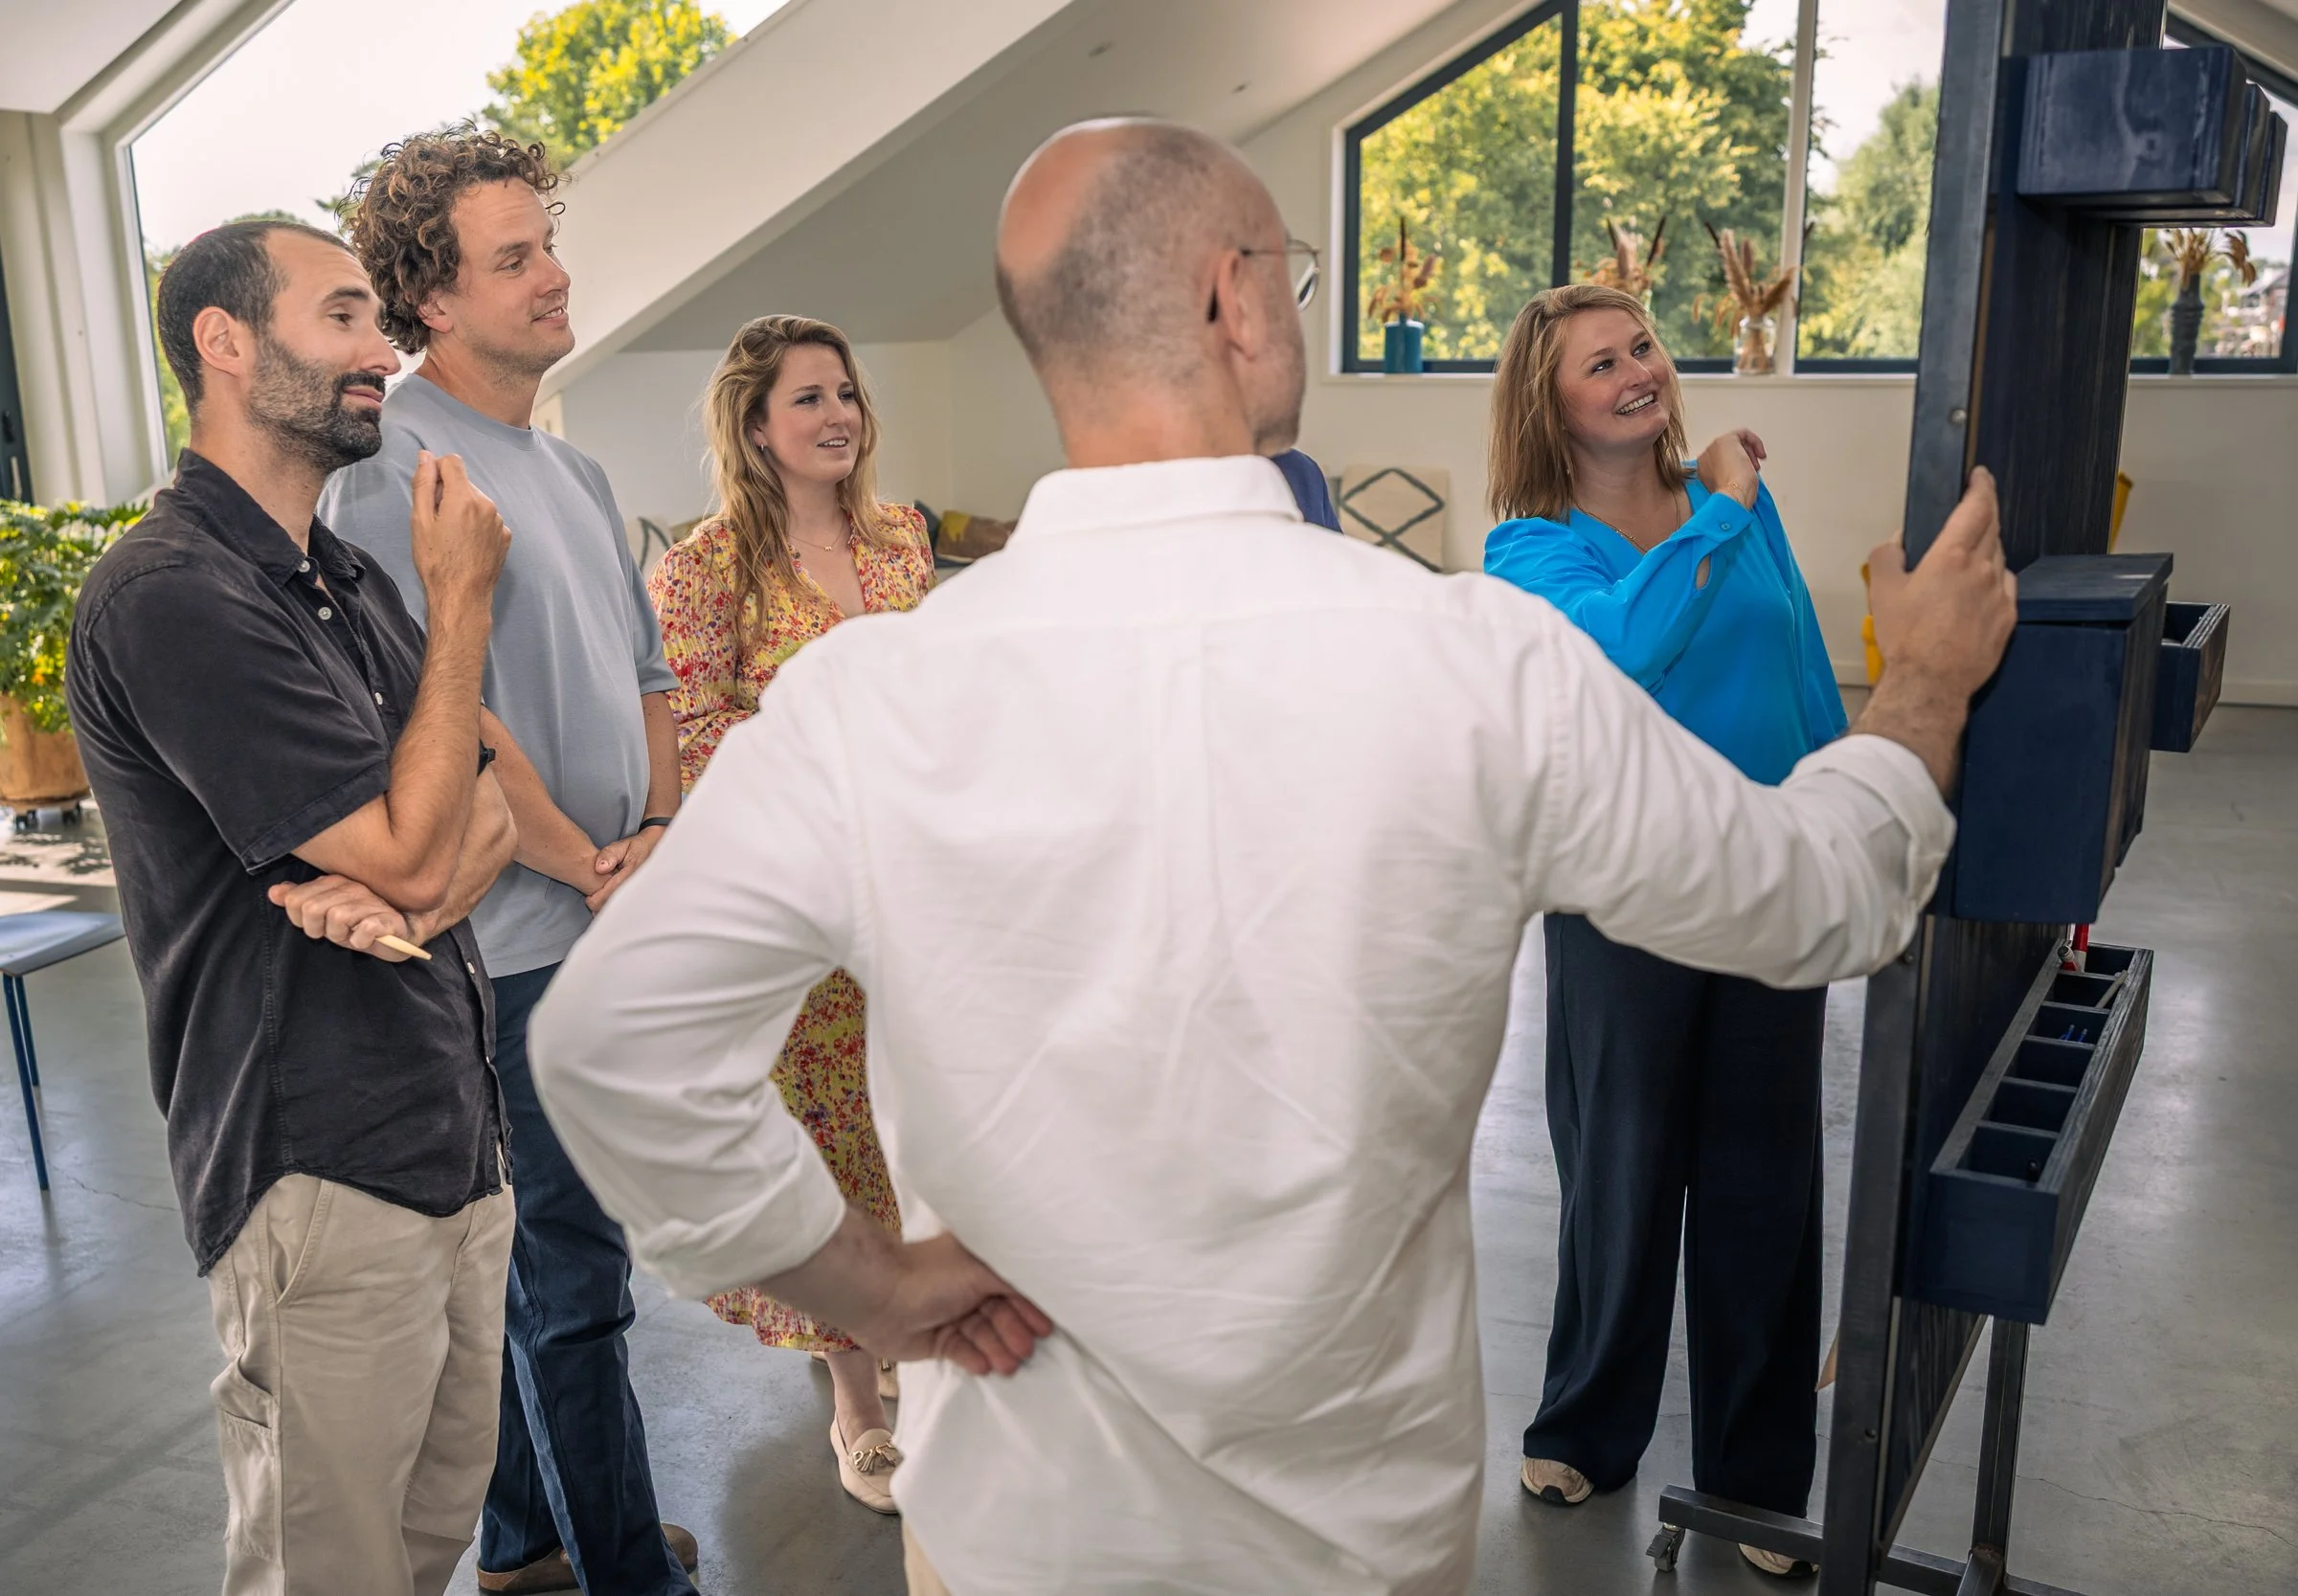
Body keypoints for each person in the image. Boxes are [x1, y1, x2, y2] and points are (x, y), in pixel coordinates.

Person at [528, 119, 2016, 1596]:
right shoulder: (1467, 659)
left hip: (1015, 1538)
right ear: (1234, 299)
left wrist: (873, 1286)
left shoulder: (869, 696)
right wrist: (1927, 682)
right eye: (1292, 277)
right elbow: (1819, 896)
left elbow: (613, 1044)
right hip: (1355, 1535)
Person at [66, 218, 518, 1596]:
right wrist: (463, 613)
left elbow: (479, 810)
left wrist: (414, 886)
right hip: (315, 1166)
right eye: (342, 318)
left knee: (429, 1544)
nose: (381, 352)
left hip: (452, 1130)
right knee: (329, 1568)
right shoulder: (168, 594)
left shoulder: (346, 576)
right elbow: (409, 836)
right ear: (225, 341)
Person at [318, 128, 696, 1596]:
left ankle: (530, 1538)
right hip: (511, 941)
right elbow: (436, 703)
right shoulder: (393, 460)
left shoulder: (576, 465)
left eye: (547, 244)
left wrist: (652, 832)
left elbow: (651, 669)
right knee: (573, 1281)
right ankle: (626, 1572)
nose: (553, 277)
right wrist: (583, 860)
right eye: (514, 257)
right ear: (429, 296)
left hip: (603, 905)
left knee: (555, 1265)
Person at [1479, 281, 1847, 1577]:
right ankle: (1588, 1421)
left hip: (1761, 882)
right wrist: (1731, 507)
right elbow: (1625, 642)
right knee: (1621, 1175)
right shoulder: (1531, 548)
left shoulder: (1733, 502)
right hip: (1622, 899)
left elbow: (1799, 656)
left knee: (1765, 1179)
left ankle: (1756, 1476)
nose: (1641, 371)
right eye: (1603, 362)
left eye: (1643, 346)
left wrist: (1842, 816)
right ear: (1552, 400)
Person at [646, 314, 935, 1513]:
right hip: (799, 901)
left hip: (917, 892)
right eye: (807, 399)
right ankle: (854, 1396)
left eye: (846, 394)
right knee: (826, 1138)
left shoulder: (900, 535)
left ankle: (915, 1333)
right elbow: (700, 730)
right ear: (753, 427)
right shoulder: (704, 567)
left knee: (913, 1126)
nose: (836, 417)